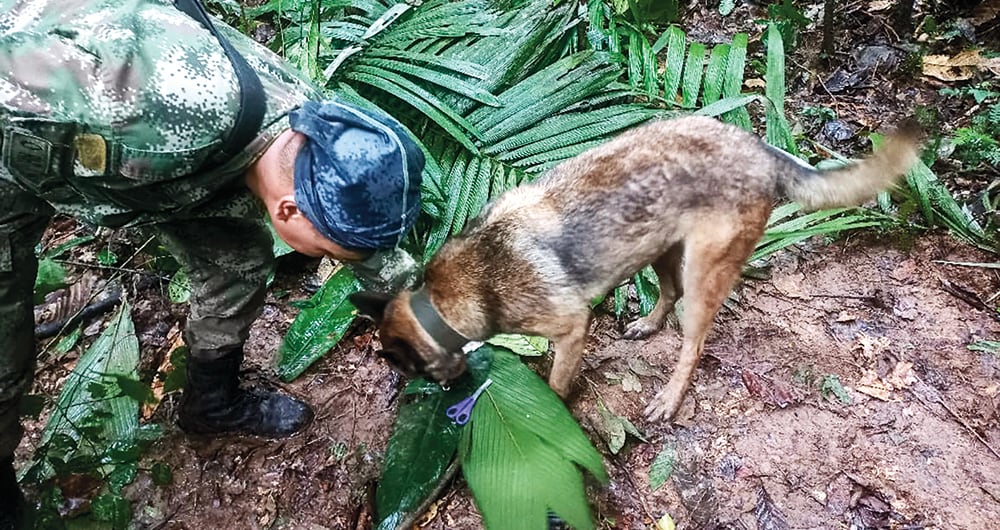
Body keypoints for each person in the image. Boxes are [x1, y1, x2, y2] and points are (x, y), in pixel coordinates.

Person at [0, 1, 424, 527]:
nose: (336, 260)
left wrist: (430, 326)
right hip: (19, 143)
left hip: (155, 167)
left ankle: (211, 404)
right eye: (331, 253)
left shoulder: (314, 134)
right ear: (288, 210)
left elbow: (370, 250)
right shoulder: (158, 119)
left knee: (237, 265)